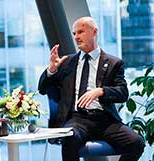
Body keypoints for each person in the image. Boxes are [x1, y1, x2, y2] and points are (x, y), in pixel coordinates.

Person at [38, 16, 145, 161]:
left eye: (80, 32)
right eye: (74, 33)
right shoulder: (66, 62)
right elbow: (43, 89)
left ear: (94, 32)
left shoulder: (114, 63)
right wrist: (51, 70)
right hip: (77, 119)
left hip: (105, 120)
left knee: (137, 142)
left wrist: (101, 91)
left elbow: (123, 93)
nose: (76, 37)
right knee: (70, 138)